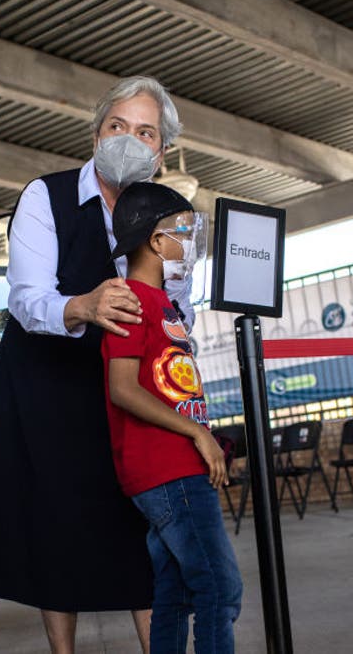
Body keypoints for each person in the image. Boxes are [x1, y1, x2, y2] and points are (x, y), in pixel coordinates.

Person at [0, 76, 195, 653]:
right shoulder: (46, 196)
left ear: (161, 151)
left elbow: (182, 306)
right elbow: (24, 295)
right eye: (118, 126)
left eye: (145, 132)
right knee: (56, 526)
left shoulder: (172, 218)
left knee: (145, 529)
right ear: (96, 135)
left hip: (129, 384)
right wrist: (83, 305)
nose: (129, 139)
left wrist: (171, 328)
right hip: (49, 383)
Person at [101, 182, 242, 654]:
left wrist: (198, 437)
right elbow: (122, 388)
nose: (190, 241)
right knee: (220, 590)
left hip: (177, 466)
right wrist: (196, 433)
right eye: (183, 230)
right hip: (167, 470)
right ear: (156, 242)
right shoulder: (131, 300)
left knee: (176, 592)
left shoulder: (165, 304)